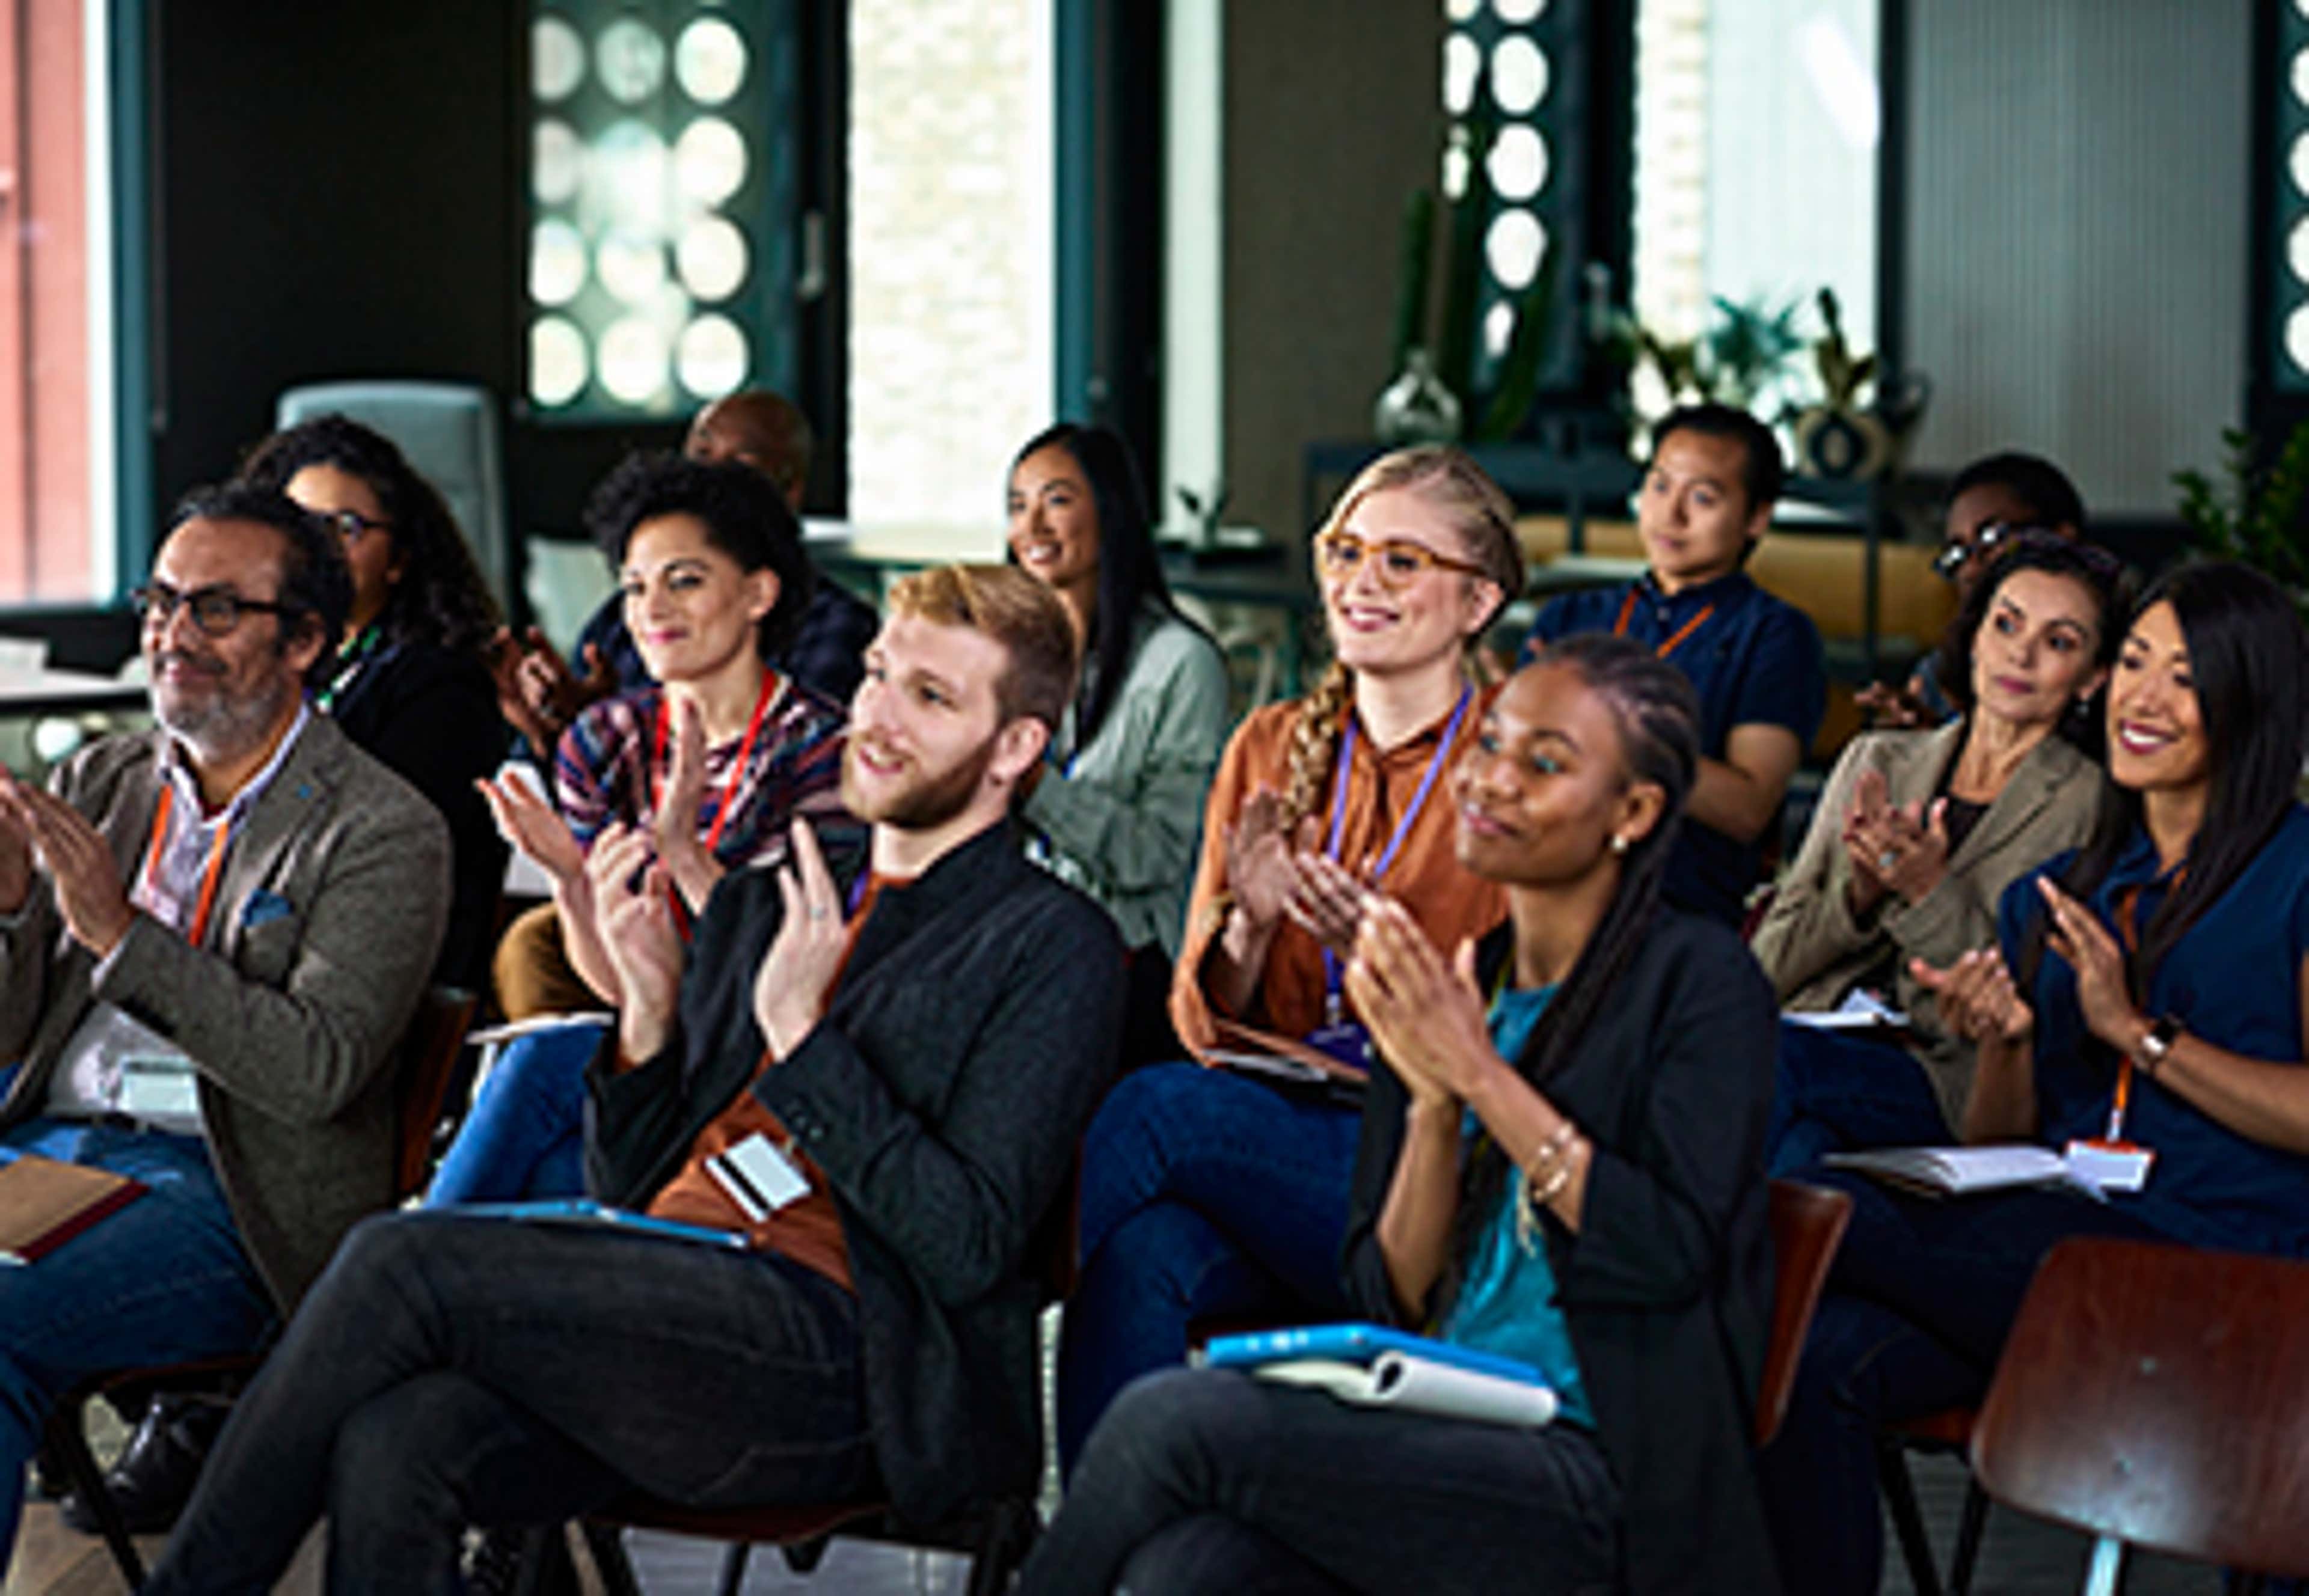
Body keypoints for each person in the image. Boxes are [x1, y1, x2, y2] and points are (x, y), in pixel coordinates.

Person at [141, 566, 1124, 1596]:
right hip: (674, 1302)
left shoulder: (1051, 943)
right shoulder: (771, 899)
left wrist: (802, 1040)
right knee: (402, 1435)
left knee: (399, 1260)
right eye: (878, 674)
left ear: (1015, 747)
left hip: (853, 1359)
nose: (878, 714)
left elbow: (969, 1243)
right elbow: (631, 1187)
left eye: (931, 697)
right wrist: (649, 1019)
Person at [1022, 636, 1783, 1596]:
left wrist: (1480, 1076)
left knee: (1173, 1419)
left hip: (1602, 1470)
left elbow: (1670, 1250)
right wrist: (1429, 1103)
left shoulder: (1701, 982)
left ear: (1632, 813)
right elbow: (1394, 1301)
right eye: (1492, 743)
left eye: (1545, 762)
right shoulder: (1463, 980)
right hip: (1448, 1421)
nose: (1493, 779)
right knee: (1188, 1567)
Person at [1761, 561, 2309, 1596]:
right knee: (1819, 1352)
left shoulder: (2297, 872)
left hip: (2229, 1271)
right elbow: (1999, 1143)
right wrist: (2007, 1042)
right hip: (2060, 1252)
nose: (2144, 697)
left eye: (2186, 677)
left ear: (2252, 700)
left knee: (1809, 1208)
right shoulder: (2059, 892)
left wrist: (2140, 1037)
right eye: (2136, 662)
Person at [0, 486, 449, 1571]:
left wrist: (121, 934)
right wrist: (10, 909)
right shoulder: (102, 779)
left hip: (225, 1194)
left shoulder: (383, 828)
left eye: (214, 609)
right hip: (46, 1154)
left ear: (305, 642)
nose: (172, 635)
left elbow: (315, 1069)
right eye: (161, 601)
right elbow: (12, 1033)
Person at [1055, 444, 1521, 1468]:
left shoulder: (1519, 764)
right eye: (1345, 551)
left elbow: (1536, 1048)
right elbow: (1199, 1023)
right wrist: (1251, 927)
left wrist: (1387, 969)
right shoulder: (1268, 745)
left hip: (1436, 1173)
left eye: (1403, 561)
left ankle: (960, 1340)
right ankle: (1109, 1539)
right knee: (1141, 1255)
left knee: (1150, 1109)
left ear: (1479, 601)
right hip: (1278, 1144)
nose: (1361, 581)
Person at [431, 451, 858, 1203]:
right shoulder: (605, 742)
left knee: (549, 1144)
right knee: (547, 1098)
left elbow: (796, 978)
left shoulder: (825, 751)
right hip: (653, 1044)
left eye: (684, 581)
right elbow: (621, 987)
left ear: (759, 594)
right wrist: (570, 880)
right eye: (634, 586)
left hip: (764, 1060)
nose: (651, 609)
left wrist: (686, 856)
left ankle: (416, 1257)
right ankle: (422, 1256)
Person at [1753, 536, 2126, 1172]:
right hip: (1815, 1042)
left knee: (1757, 1060)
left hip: (1944, 1081)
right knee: (1800, 1158)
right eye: (2006, 624)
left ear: (2093, 678)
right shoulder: (1879, 758)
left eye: (2060, 642)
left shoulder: (2090, 802)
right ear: (1975, 635)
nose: (2021, 653)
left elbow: (2021, 1003)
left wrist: (1929, 891)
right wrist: (1861, 897)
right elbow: (1766, 969)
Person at [1519, 402, 1826, 926]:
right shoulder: (1570, 617)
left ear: (1757, 517)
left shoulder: (1773, 634)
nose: (1671, 514)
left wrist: (1610, 734)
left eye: (1702, 497)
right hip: (1548, 892)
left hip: (1681, 911)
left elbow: (1748, 808)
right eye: (1660, 486)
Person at [235, 412, 509, 991]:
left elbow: (374, 854)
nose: (320, 549)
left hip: (375, 972)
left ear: (399, 559)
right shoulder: (286, 664)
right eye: (300, 525)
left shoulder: (439, 685)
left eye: (346, 527)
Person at [1007, 422, 1229, 1060]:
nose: (1032, 526)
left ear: (1111, 512)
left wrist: (1037, 787)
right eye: (1018, 505)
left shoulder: (1181, 663)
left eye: (1057, 500)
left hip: (1129, 969)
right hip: (1026, 946)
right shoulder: (1011, 653)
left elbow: (1155, 855)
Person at [491, 388, 878, 752]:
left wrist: (618, 741)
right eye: (701, 455)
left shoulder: (835, 627)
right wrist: (568, 733)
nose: (710, 479)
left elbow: (791, 760)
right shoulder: (622, 619)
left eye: (740, 465)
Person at [1856, 450, 2086, 729]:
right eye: (1958, 554)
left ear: (2061, 539)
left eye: (1992, 537)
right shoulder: (1943, 673)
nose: (1972, 569)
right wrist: (1928, 741)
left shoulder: (2124, 661)